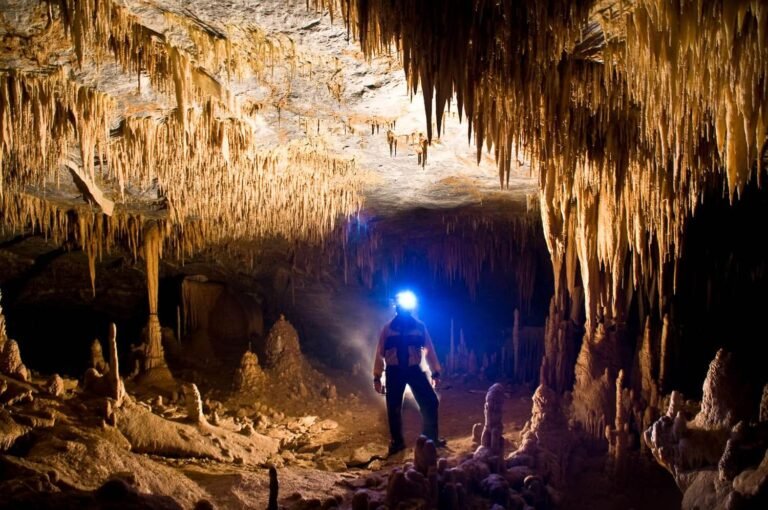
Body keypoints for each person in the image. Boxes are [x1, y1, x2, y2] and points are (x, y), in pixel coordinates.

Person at [372, 291, 444, 455]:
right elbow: (379, 353)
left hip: (413, 370)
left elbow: (429, 350)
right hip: (394, 371)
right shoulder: (387, 329)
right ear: (396, 307)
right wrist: (377, 376)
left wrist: (435, 372)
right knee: (394, 407)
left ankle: (430, 439)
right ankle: (397, 442)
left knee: (430, 401)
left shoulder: (420, 327)